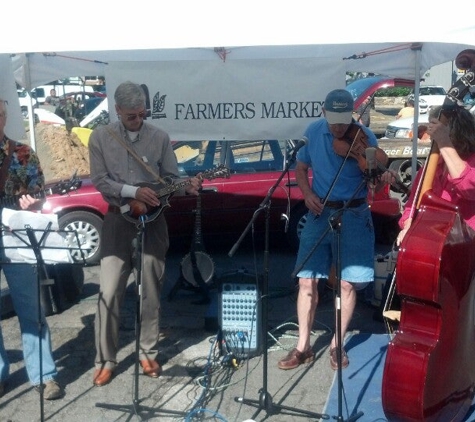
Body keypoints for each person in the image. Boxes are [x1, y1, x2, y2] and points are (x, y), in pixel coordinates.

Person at [88, 81, 202, 387]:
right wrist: (132, 190)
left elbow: (172, 180)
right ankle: (105, 359)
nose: (138, 120)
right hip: (116, 221)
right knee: (109, 292)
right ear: (118, 111)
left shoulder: (160, 138)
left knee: (150, 290)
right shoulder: (101, 137)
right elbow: (99, 181)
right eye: (131, 116)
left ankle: (148, 352)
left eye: (142, 114)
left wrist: (184, 187)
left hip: (154, 223)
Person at [277, 89, 382, 371]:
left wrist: (374, 173)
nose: (338, 127)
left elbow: (377, 177)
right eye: (333, 121)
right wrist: (307, 193)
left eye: (344, 121)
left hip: (355, 213)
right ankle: (303, 346)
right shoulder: (313, 132)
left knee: (347, 282)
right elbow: (301, 169)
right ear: (324, 113)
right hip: (320, 211)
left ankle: (337, 344)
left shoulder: (364, 136)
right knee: (306, 280)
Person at [0, 98, 63, 399]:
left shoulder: (23, 153)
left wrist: (34, 202)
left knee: (31, 308)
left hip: (16, 239)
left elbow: (39, 193)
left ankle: (44, 375)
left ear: (5, 117)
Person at [383, 105, 475, 245]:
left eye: (435, 131)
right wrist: (409, 225)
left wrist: (444, 142)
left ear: (455, 133)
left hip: (466, 244)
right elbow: (413, 203)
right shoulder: (433, 164)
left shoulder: (471, 160)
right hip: (434, 242)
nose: (430, 136)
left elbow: (469, 188)